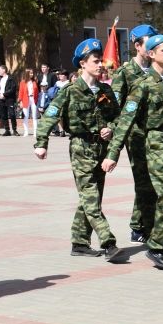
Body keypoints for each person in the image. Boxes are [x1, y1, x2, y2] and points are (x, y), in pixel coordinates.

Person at [33, 39, 127, 263]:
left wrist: (110, 129)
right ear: (83, 64)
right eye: (95, 61)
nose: (100, 65)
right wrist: (41, 142)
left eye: (101, 61)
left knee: (90, 199)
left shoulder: (106, 90)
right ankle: (108, 243)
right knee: (91, 199)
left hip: (100, 149)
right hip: (81, 148)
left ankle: (79, 242)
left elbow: (117, 118)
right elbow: (50, 115)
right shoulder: (71, 91)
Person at [103, 34, 163, 270]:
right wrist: (113, 153)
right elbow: (126, 121)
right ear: (151, 54)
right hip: (156, 142)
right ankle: (156, 246)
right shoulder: (143, 85)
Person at [111, 24, 159, 242]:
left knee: (155, 180)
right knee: (143, 181)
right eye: (148, 43)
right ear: (138, 46)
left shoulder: (156, 70)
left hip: (156, 133)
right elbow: (114, 106)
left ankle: (146, 223)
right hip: (136, 134)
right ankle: (139, 227)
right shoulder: (125, 72)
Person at [0, 65, 19, 136]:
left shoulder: (11, 78)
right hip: (1, 100)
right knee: (3, 115)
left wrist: (4, 94)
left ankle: (14, 130)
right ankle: (7, 130)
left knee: (12, 114)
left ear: (4, 70)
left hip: (9, 99)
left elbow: (13, 89)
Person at [18, 68, 39, 137]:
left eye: (32, 73)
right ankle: (26, 131)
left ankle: (35, 132)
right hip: (25, 100)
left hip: (33, 99)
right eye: (30, 73)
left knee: (34, 116)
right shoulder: (22, 82)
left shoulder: (34, 81)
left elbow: (37, 92)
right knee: (26, 116)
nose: (32, 74)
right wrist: (20, 101)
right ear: (27, 74)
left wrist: (36, 99)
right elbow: (20, 92)